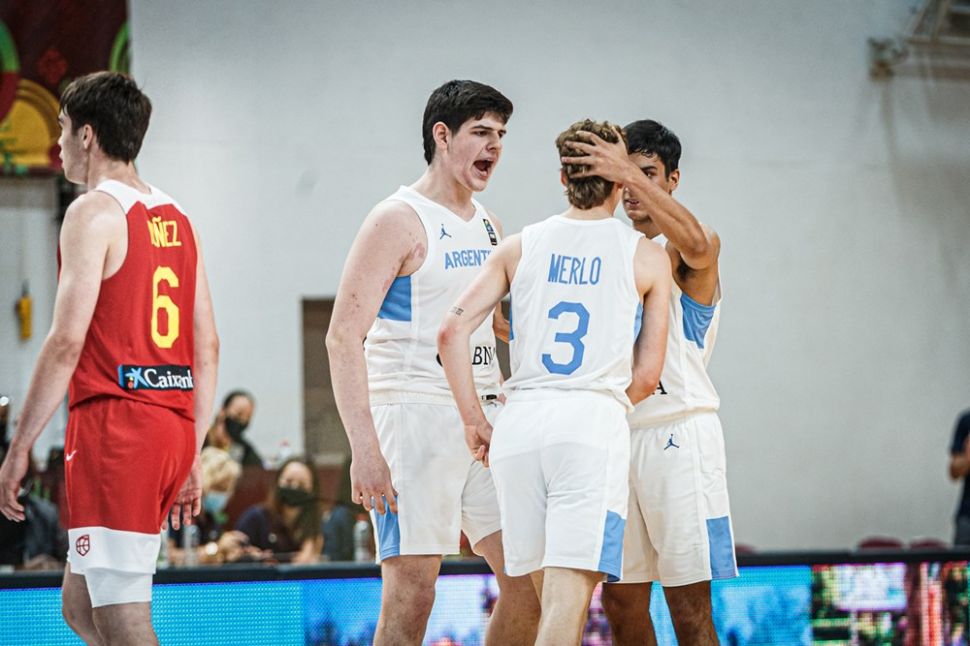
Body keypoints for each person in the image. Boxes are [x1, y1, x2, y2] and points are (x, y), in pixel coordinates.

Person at [0, 71, 219, 645]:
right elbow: (207, 346)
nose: (57, 143)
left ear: (88, 136)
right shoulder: (180, 218)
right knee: (80, 606)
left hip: (117, 428)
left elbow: (65, 342)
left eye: (62, 128)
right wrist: (191, 447)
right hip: (170, 426)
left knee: (123, 619)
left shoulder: (92, 212)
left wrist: (19, 447)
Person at [439, 119, 672, 646]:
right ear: (619, 178)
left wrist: (474, 420)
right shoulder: (646, 254)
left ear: (564, 178)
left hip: (518, 426)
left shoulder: (519, 245)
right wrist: (601, 404)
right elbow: (647, 375)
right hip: (589, 422)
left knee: (549, 608)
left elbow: (451, 330)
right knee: (567, 610)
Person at [326, 79, 540, 645]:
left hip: (484, 418)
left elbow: (497, 327)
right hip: (412, 416)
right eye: (481, 132)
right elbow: (342, 337)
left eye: (501, 135)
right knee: (413, 594)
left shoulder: (491, 224)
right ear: (442, 136)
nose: (495, 146)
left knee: (531, 582)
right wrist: (365, 450)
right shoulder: (396, 218)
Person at [562, 119, 736, 645]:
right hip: (618, 433)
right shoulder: (608, 248)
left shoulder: (684, 249)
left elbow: (701, 244)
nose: (632, 185)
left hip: (677, 434)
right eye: (624, 174)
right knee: (620, 603)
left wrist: (624, 172)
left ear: (672, 179)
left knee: (688, 609)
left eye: (646, 173)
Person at [167, 447, 264, 565]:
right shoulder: (176, 511)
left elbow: (211, 556)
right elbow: (168, 557)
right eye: (219, 487)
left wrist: (233, 552)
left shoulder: (211, 519)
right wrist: (216, 549)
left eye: (227, 489)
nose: (223, 495)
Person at [235, 456, 323, 564]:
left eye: (302, 484)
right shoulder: (255, 518)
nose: (294, 487)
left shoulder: (315, 526)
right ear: (277, 483)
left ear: (313, 490)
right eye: (288, 481)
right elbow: (235, 557)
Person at [203, 390, 261, 467]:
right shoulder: (200, 439)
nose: (242, 421)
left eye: (247, 418)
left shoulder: (244, 450)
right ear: (222, 411)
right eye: (239, 414)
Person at [949, 409, 970, 545]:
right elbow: (954, 472)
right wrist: (968, 458)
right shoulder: (966, 420)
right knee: (960, 557)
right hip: (968, 516)